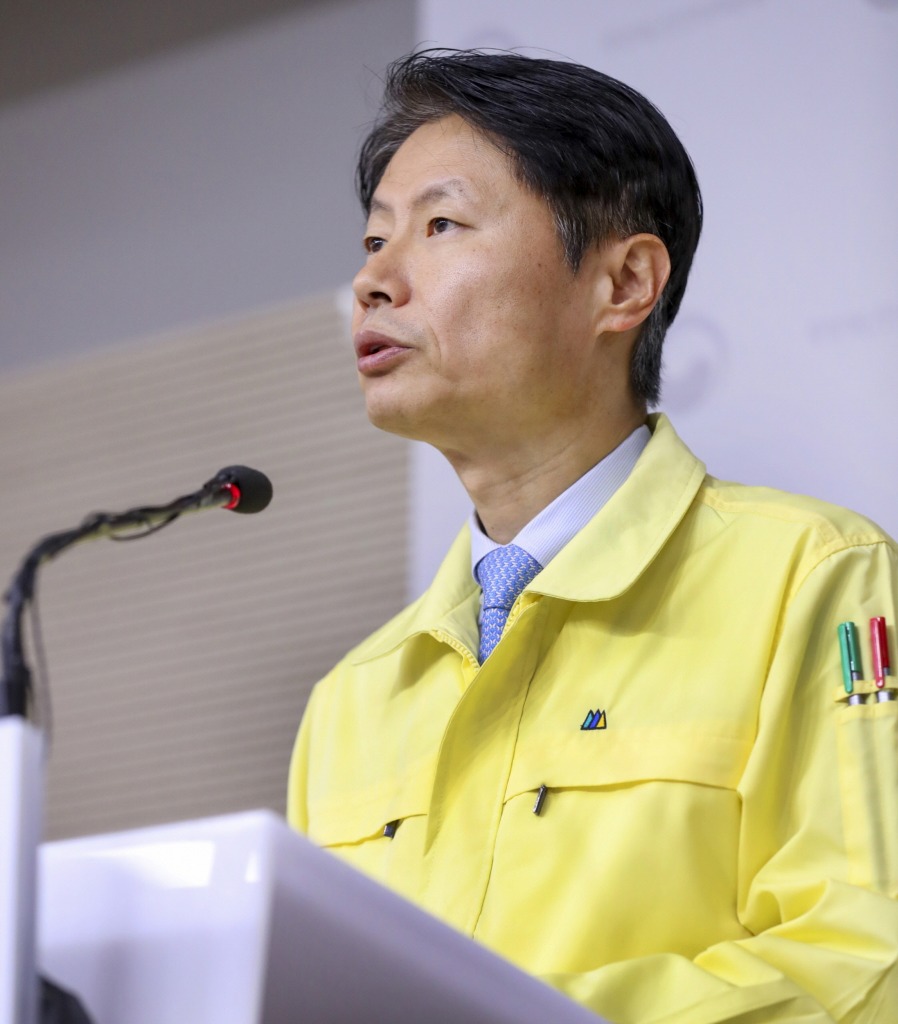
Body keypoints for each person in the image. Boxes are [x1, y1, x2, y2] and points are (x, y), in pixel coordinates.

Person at [287, 50, 898, 1023]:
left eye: (440, 226)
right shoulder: (351, 699)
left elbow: (866, 963)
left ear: (623, 282)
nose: (371, 280)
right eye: (373, 239)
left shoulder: (816, 578)